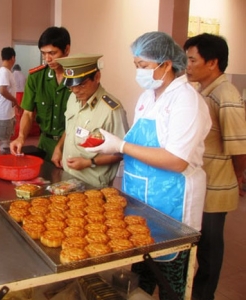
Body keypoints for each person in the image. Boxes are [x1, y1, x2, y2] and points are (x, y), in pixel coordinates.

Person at [86, 31, 211, 299]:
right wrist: (103, 149)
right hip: (142, 205)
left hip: (172, 205)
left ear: (166, 64)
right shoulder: (148, 97)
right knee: (140, 280)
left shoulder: (187, 101)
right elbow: (139, 147)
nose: (139, 72)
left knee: (171, 284)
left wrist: (120, 146)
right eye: (136, 66)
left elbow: (177, 161)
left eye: (143, 66)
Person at [183, 33, 246, 300]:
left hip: (216, 190)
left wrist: (234, 177)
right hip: (201, 185)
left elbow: (240, 149)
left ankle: (203, 296)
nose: (187, 65)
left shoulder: (226, 94)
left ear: (212, 63)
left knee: (209, 249)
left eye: (192, 59)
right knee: (198, 245)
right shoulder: (202, 91)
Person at [51, 53, 128, 187]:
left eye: (81, 85)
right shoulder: (73, 99)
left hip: (92, 185)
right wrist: (59, 147)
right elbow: (71, 128)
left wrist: (89, 162)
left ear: (97, 77)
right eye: (71, 85)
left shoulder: (112, 110)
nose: (75, 90)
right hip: (68, 177)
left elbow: (121, 152)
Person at [10, 26, 71, 162]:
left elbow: (78, 121)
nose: (47, 59)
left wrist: (60, 147)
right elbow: (28, 113)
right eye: (43, 53)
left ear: (66, 50)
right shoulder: (36, 77)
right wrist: (21, 137)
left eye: (52, 53)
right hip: (44, 144)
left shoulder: (78, 79)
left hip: (70, 145)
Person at [0, 47, 18, 151]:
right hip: (4, 112)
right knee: (4, 142)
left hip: (7, 111)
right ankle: (3, 161)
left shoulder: (7, 72)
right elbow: (2, 90)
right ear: (13, 58)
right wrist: (14, 100)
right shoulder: (4, 72)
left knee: (6, 139)